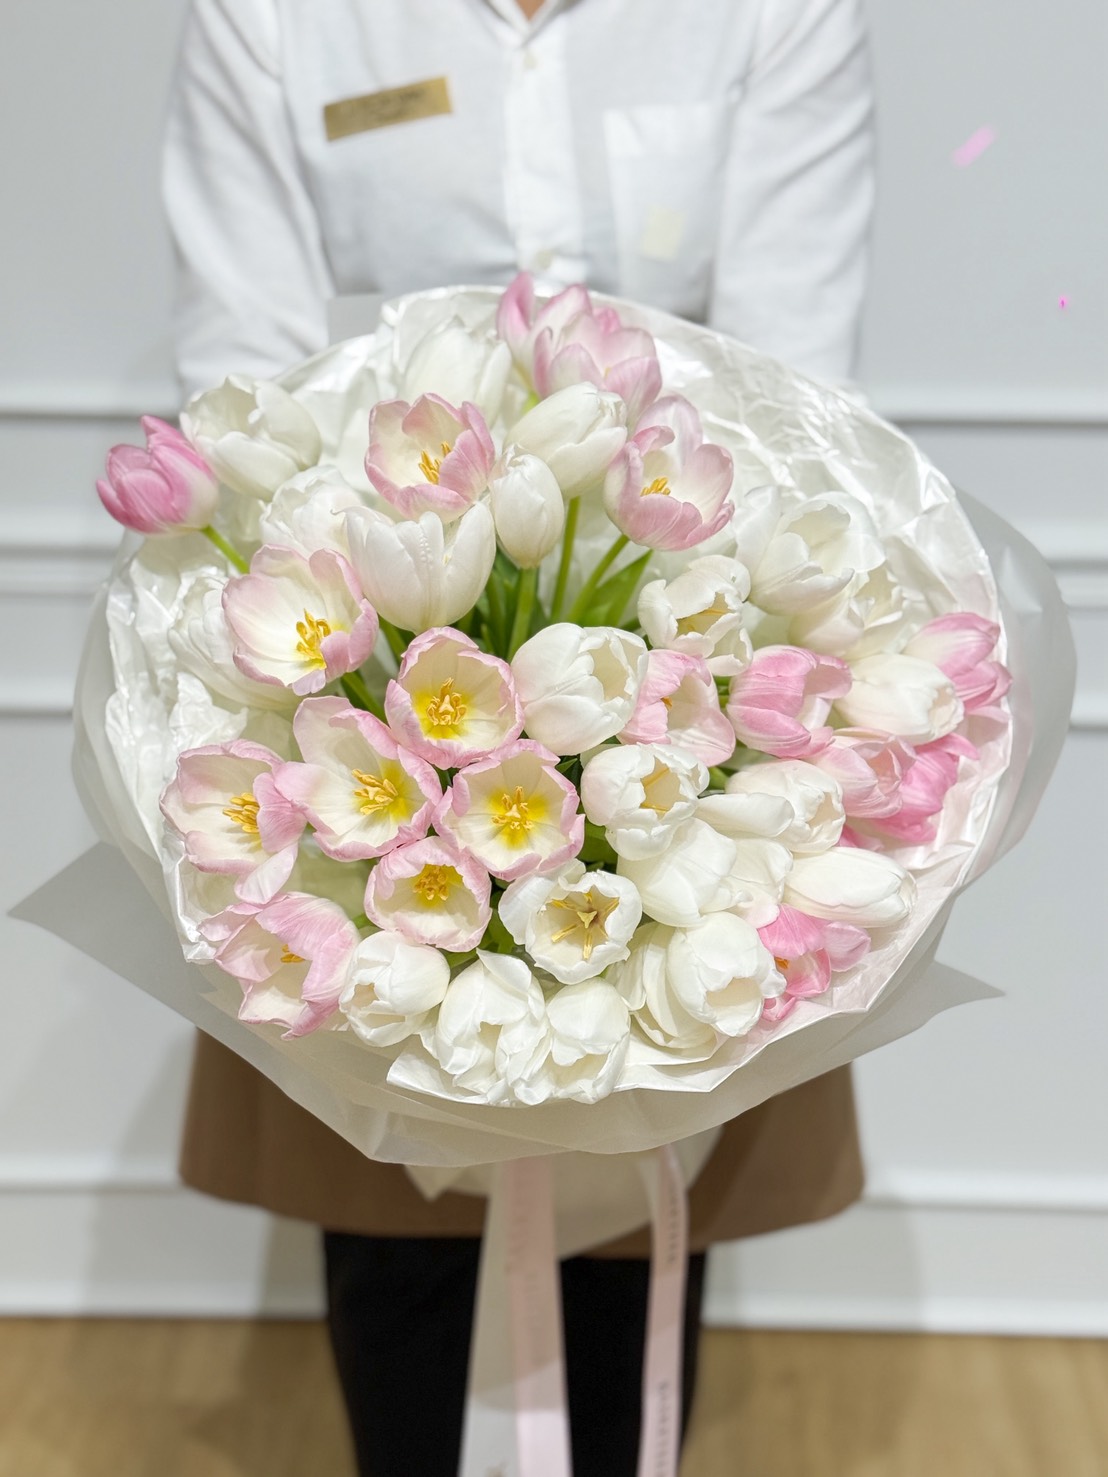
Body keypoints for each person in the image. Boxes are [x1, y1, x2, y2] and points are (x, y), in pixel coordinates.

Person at [162, 1, 875, 1473]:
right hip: (359, 716)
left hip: (684, 699)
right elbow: (244, 370)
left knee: (651, 1152)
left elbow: (798, 387)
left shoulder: (772, 12)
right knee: (391, 1219)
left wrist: (650, 678)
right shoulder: (275, 17)